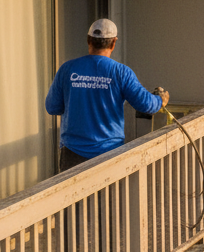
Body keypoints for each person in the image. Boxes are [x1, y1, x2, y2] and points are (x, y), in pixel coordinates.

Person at [45, 19, 170, 170]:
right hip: (109, 154)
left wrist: (77, 103)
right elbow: (145, 104)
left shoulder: (68, 69)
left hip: (73, 154)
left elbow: (52, 107)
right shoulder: (121, 72)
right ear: (113, 43)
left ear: (88, 40)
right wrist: (160, 100)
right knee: (108, 195)